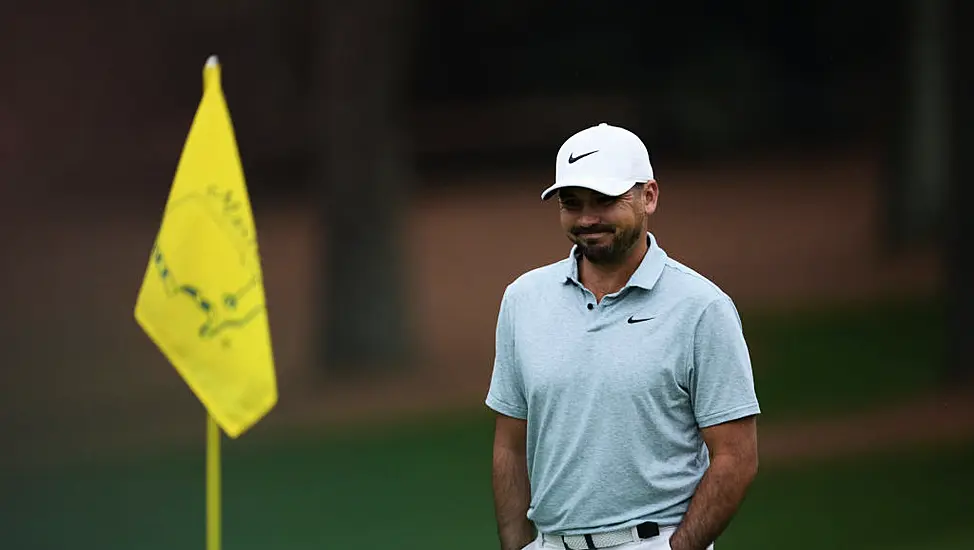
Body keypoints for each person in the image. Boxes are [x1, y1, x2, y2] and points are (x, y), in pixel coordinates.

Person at [485, 123, 761, 550]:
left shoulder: (701, 308)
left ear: (649, 196)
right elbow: (510, 447)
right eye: (571, 204)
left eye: (605, 201)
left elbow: (736, 457)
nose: (587, 219)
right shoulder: (523, 300)